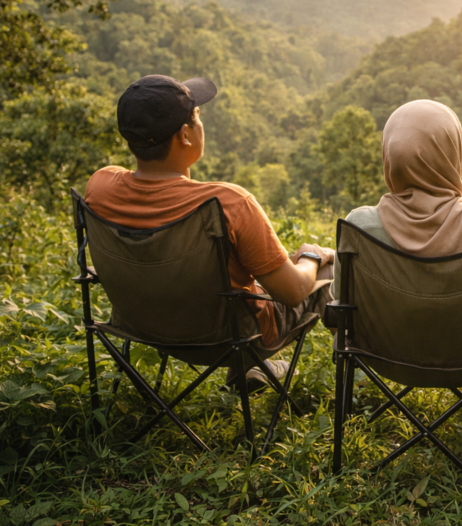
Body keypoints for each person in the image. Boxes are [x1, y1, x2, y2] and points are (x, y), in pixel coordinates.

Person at [85, 75, 335, 393]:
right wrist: (313, 254)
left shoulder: (100, 185)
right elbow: (293, 293)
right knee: (324, 266)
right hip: (229, 339)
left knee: (246, 273)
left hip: (142, 326)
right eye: (198, 117)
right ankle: (350, 379)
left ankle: (249, 374)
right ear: (186, 135)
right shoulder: (229, 203)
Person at [332, 99, 462, 404]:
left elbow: (340, 304)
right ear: (454, 153)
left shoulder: (359, 227)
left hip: (383, 360)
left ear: (389, 155)